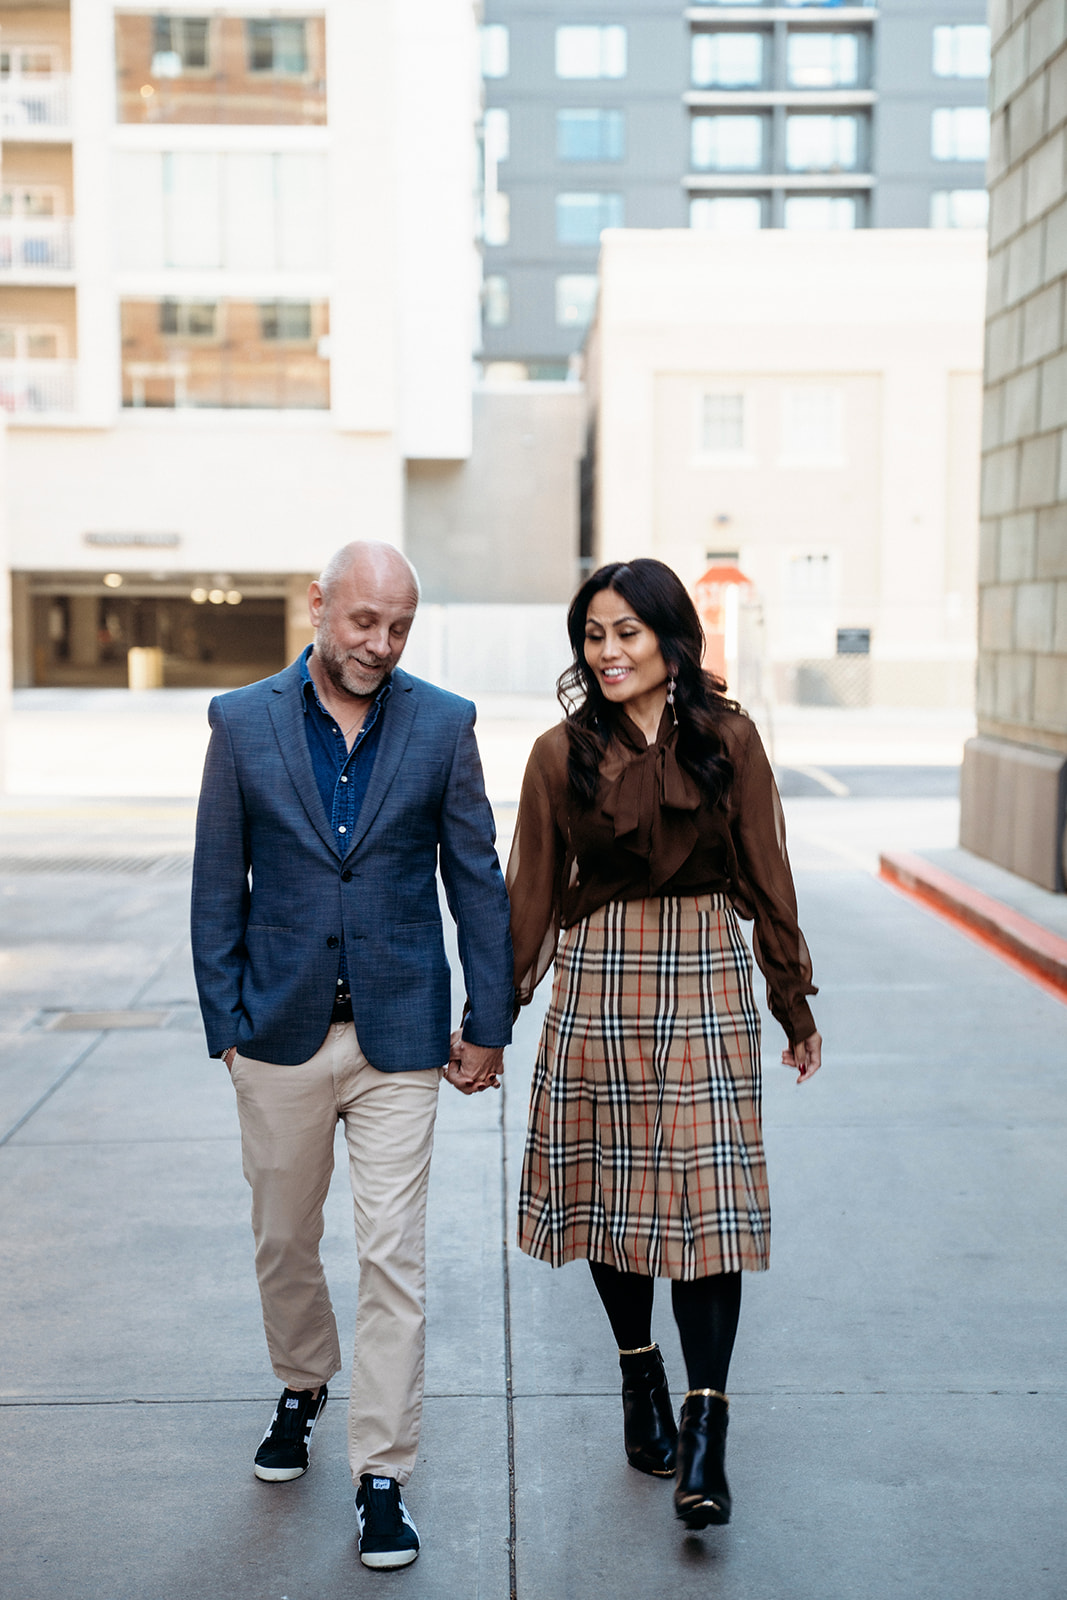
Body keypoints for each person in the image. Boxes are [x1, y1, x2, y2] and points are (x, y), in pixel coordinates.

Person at [190, 541, 512, 1570]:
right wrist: (226, 1024)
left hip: (400, 1038)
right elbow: (213, 883)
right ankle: (302, 1381)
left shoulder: (442, 723)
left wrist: (487, 1019)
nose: (380, 643)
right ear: (319, 606)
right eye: (363, 620)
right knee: (284, 1239)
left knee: (392, 1256)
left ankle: (382, 1473)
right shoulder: (240, 722)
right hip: (276, 1035)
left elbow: (474, 879)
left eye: (399, 626)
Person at [500, 558, 820, 1532]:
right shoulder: (558, 754)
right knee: (613, 1193)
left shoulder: (727, 739)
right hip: (598, 979)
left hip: (707, 977)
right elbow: (528, 893)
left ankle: (705, 1426)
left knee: (706, 1202)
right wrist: (490, 1018)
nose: (606, 652)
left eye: (625, 633)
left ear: (669, 639)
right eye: (592, 635)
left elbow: (768, 870)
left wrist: (790, 1000)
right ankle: (637, 1371)